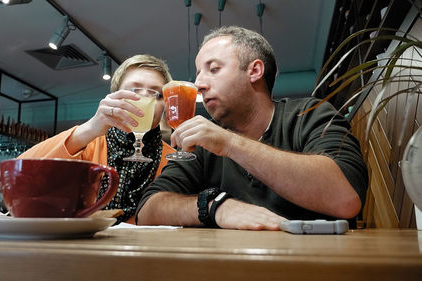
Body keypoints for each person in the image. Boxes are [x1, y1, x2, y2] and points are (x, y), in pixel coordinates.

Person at [136, 26, 368, 230]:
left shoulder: (310, 114)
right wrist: (215, 207)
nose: (199, 84)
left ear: (255, 70)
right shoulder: (202, 144)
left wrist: (229, 143)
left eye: (214, 69)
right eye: (198, 73)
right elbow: (147, 210)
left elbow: (345, 199)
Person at [19, 54, 175, 223]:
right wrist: (88, 130)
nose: (145, 98)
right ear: (115, 96)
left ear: (165, 106)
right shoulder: (87, 144)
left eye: (157, 95)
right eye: (134, 90)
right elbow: (21, 180)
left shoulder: (173, 161)